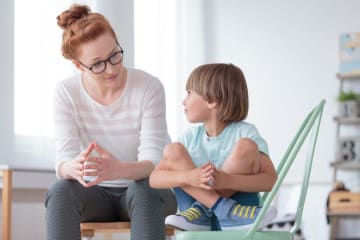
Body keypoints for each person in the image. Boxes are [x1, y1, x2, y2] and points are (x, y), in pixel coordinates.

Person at [45, 4, 177, 240]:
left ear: (117, 43)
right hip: (95, 196)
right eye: (97, 64)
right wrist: (71, 167)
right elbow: (62, 162)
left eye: (114, 54)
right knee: (60, 190)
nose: (111, 68)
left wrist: (119, 170)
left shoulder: (148, 87)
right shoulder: (66, 92)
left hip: (145, 192)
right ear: (78, 66)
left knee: (144, 188)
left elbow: (153, 162)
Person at [149, 63, 278, 231]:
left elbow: (270, 181)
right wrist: (189, 177)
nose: (184, 101)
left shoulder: (245, 133)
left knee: (246, 146)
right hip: (199, 220)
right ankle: (219, 210)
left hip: (240, 221)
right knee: (173, 150)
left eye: (189, 93)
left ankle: (204, 210)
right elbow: (154, 179)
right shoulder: (189, 138)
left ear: (211, 101)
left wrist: (227, 180)